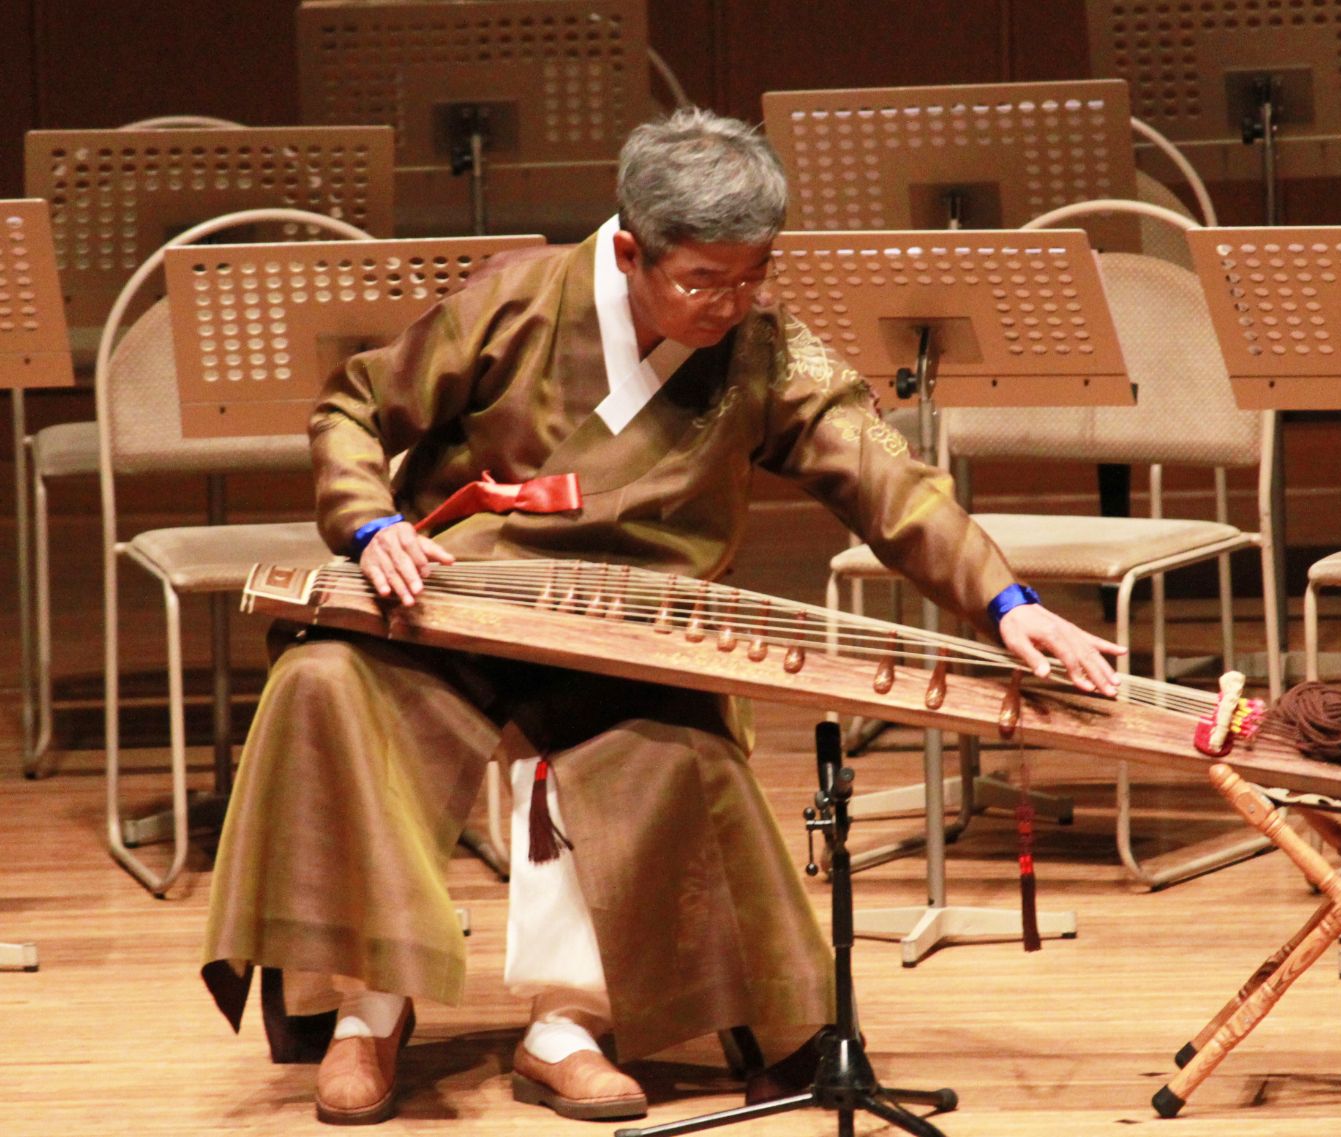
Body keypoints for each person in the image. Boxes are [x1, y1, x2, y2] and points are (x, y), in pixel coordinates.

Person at [202, 107, 1122, 1126]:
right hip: (460, 597)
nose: (730, 304)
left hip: (631, 628)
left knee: (651, 747)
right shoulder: (516, 300)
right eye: (703, 281)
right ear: (631, 250)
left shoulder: (762, 348)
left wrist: (1005, 601)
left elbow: (883, 475)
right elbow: (352, 406)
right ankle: (368, 1012)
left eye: (751, 276)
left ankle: (567, 1028)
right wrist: (372, 525)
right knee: (324, 683)